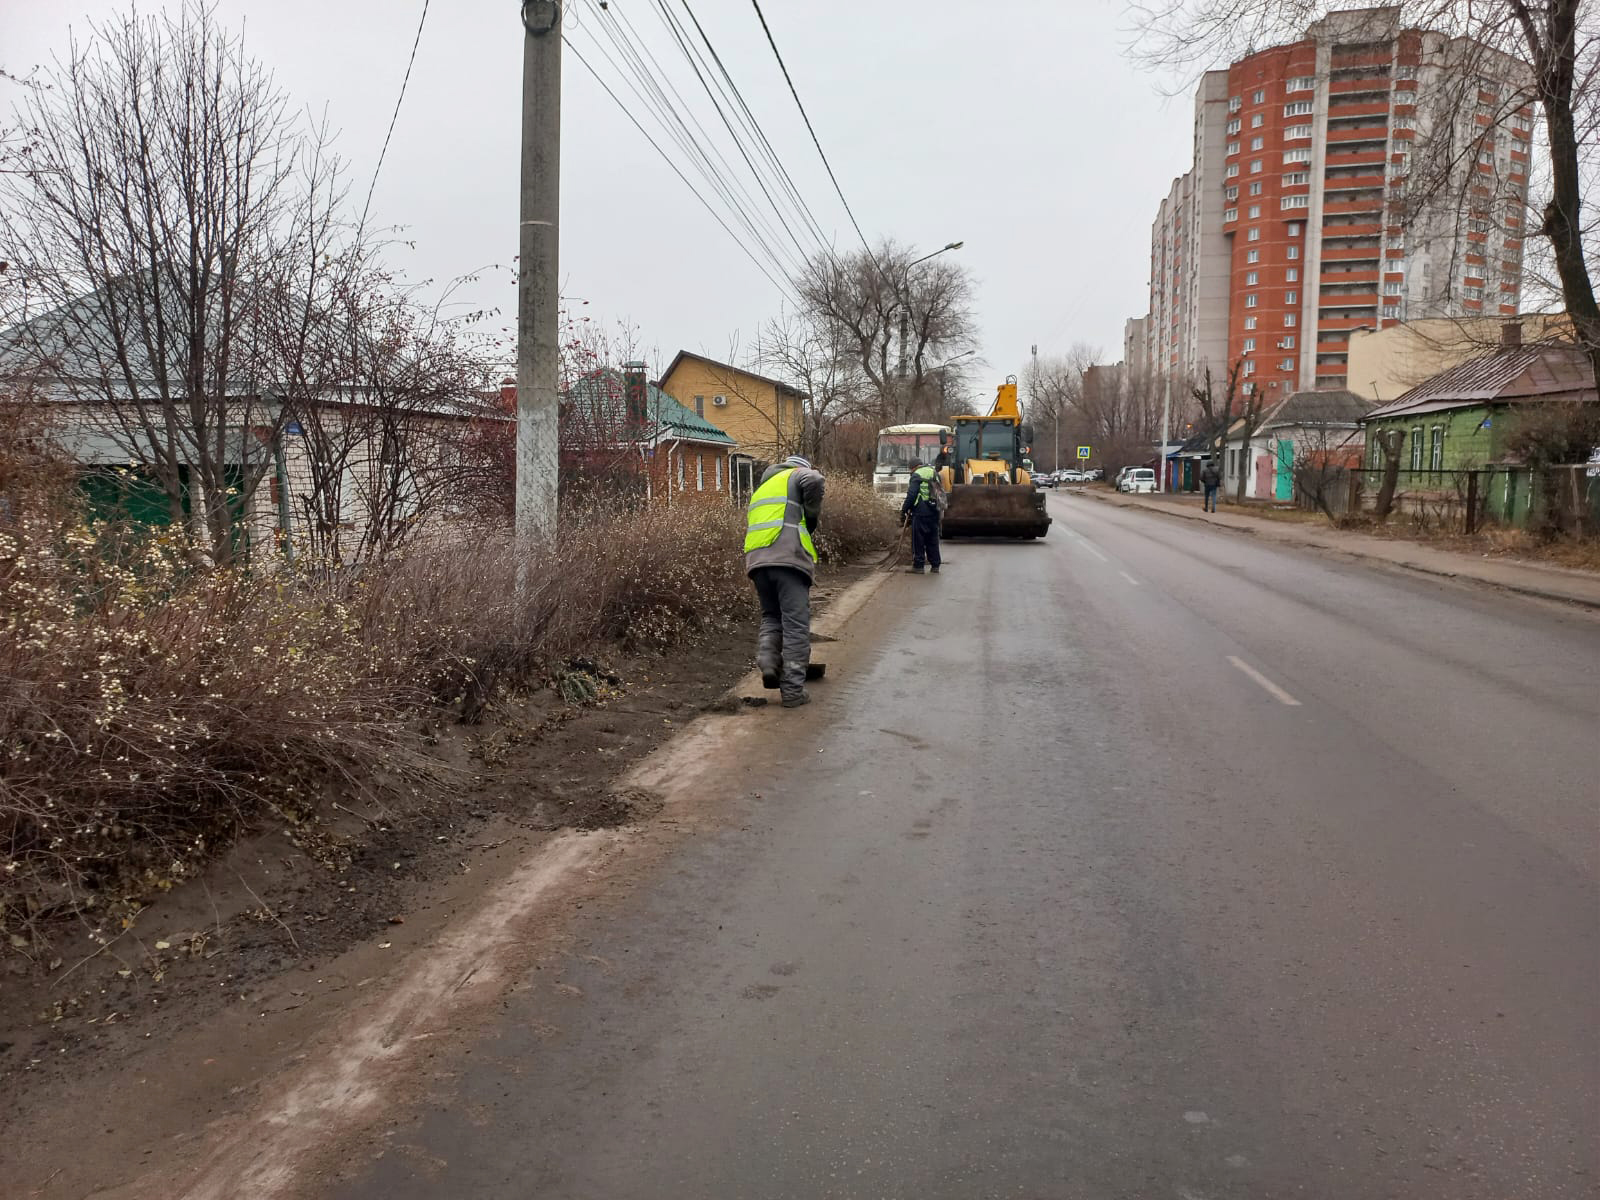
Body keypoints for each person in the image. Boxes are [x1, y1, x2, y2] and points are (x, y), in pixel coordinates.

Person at [744, 454, 826, 708]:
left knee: (771, 617)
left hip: (758, 562)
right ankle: (792, 691)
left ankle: (769, 664)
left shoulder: (762, 489)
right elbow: (815, 479)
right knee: (795, 625)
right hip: (788, 559)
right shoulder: (796, 474)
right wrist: (811, 516)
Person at [900, 458, 942, 575]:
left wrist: (903, 510)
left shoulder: (916, 475)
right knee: (932, 538)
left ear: (913, 467)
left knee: (919, 539)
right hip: (934, 510)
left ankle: (918, 566)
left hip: (921, 511)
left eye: (910, 469)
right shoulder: (934, 472)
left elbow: (912, 494)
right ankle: (935, 565)